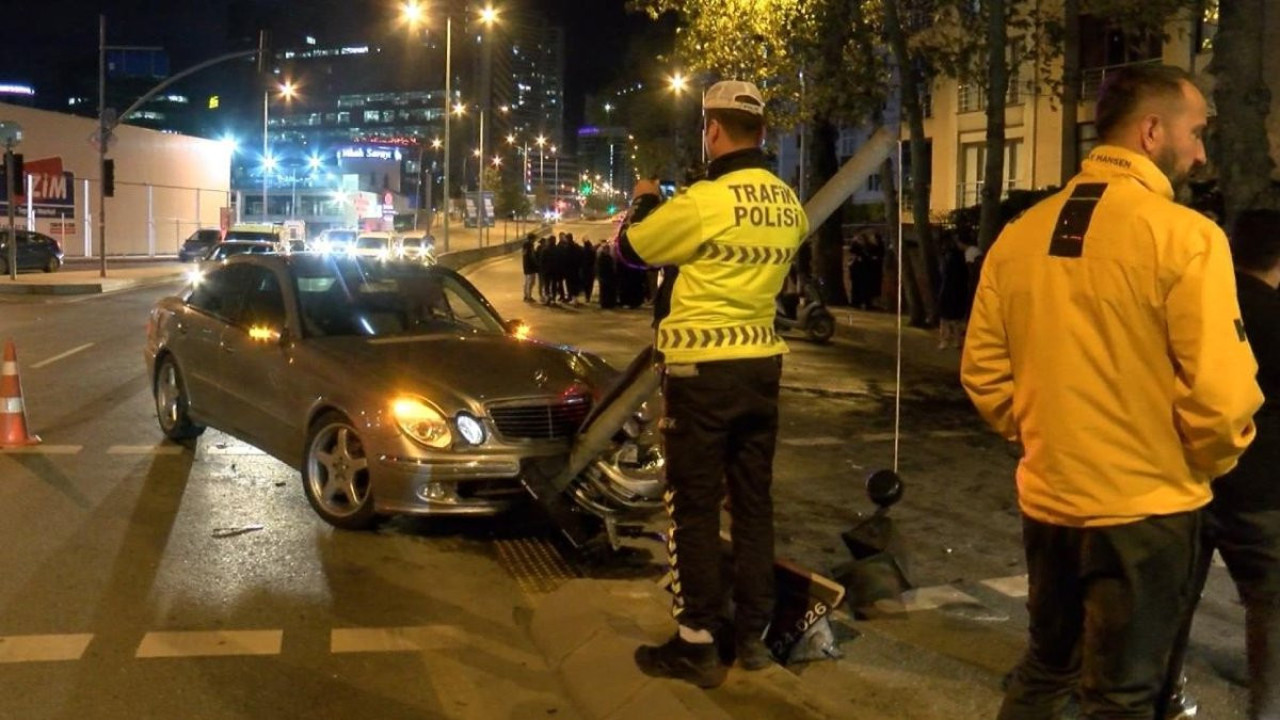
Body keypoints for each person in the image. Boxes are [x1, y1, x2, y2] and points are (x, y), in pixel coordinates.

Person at [960, 64, 1263, 719]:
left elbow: (984, 371)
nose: (1202, 150)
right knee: (1122, 695)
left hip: (1050, 500)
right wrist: (1203, 460)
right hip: (1146, 507)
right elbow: (1222, 394)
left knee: (1046, 669)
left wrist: (1043, 433)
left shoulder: (1020, 236)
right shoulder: (1185, 238)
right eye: (1197, 131)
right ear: (1152, 131)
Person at [616, 80, 809, 689]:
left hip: (701, 375)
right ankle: (752, 636)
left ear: (714, 130)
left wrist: (645, 199)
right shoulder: (788, 204)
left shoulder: (707, 199)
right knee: (753, 504)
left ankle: (696, 641)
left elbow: (630, 250)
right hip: (761, 373)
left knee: (692, 506)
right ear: (763, 132)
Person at [1168, 208, 1280, 720]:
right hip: (1262, 486)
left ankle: (1164, 695)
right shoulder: (1272, 314)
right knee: (1270, 606)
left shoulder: (1202, 307)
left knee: (1174, 598)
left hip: (1191, 474)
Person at [521, 234, 538, 302]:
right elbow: (532, 255)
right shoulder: (530, 245)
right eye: (534, 239)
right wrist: (536, 263)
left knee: (527, 281)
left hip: (526, 266)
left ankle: (526, 295)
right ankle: (529, 297)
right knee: (531, 282)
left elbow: (524, 254)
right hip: (531, 266)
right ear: (532, 239)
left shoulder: (524, 245)